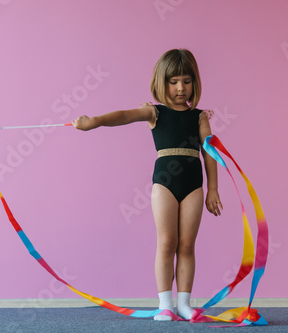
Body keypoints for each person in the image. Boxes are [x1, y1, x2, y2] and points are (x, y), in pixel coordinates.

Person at [72, 49, 223, 321]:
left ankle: (185, 304)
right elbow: (122, 115)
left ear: (194, 83)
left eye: (187, 81)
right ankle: (165, 303)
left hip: (194, 186)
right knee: (167, 242)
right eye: (174, 81)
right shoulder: (154, 112)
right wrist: (93, 122)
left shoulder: (200, 117)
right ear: (161, 82)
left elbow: (210, 153)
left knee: (187, 245)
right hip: (164, 185)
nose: (180, 88)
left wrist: (213, 189)